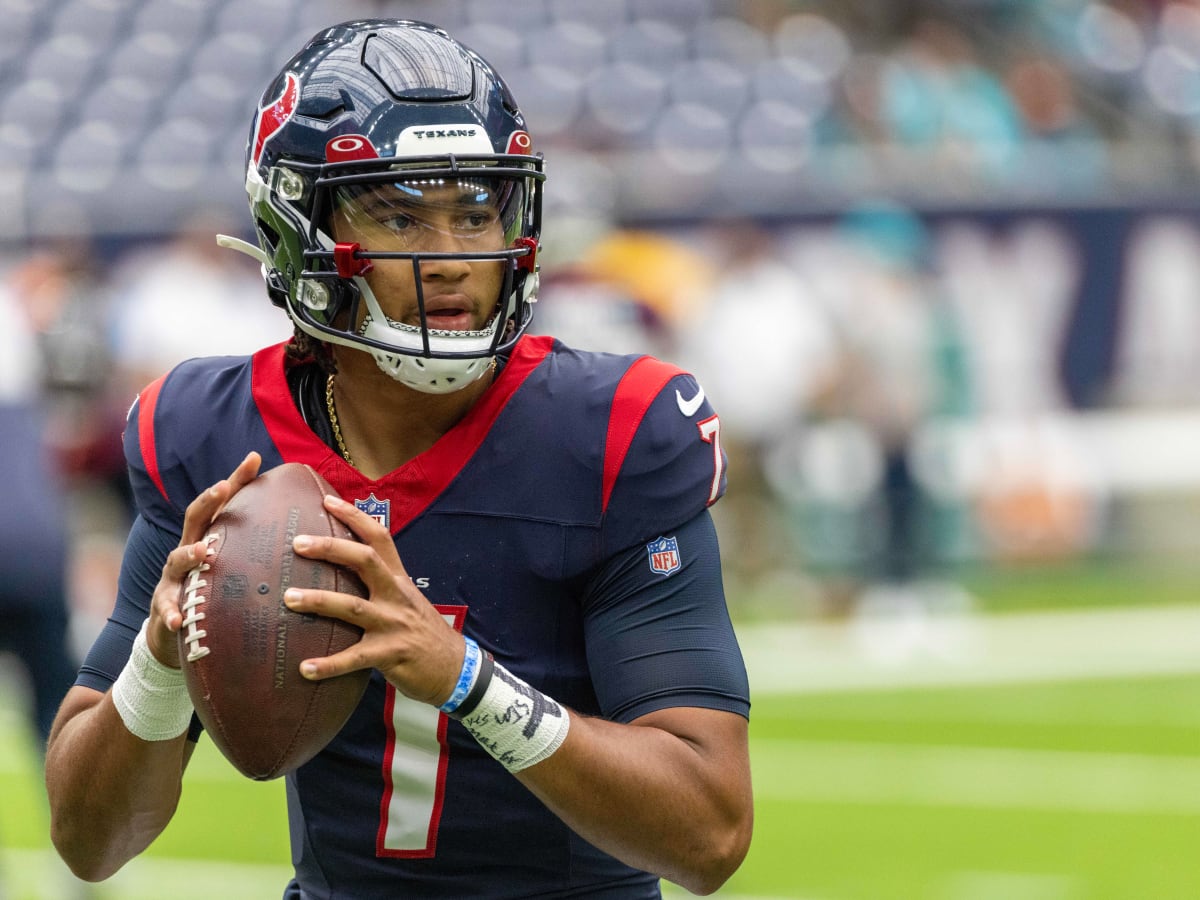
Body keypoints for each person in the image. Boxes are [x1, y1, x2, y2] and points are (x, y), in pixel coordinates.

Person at [43, 19, 753, 899]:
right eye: (398, 215)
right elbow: (87, 842)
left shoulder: (613, 431)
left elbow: (711, 834)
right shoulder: (213, 438)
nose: (451, 260)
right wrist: (158, 664)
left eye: (475, 213)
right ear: (297, 225)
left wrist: (462, 677)